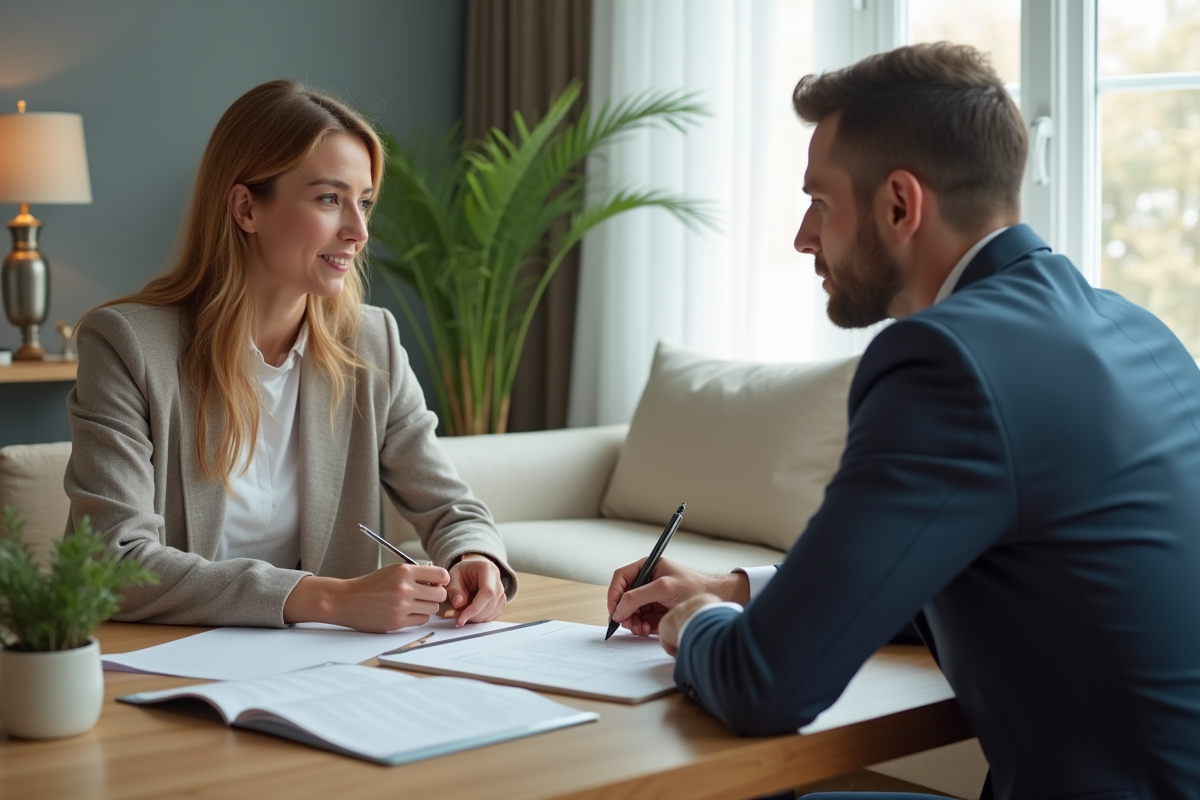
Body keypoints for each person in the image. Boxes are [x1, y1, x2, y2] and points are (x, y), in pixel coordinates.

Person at [607, 43, 1200, 798]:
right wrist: (737, 590)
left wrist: (690, 622)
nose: (802, 237)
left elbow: (766, 686)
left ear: (898, 204)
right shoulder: (1136, 328)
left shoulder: (943, 361)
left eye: (819, 200)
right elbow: (959, 571)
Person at [65, 80, 515, 633]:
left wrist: (474, 557)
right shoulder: (126, 345)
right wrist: (328, 599)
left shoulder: (372, 344)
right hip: (174, 661)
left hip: (327, 672)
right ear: (246, 208)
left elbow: (453, 509)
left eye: (365, 202)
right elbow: (112, 561)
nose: (358, 230)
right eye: (329, 199)